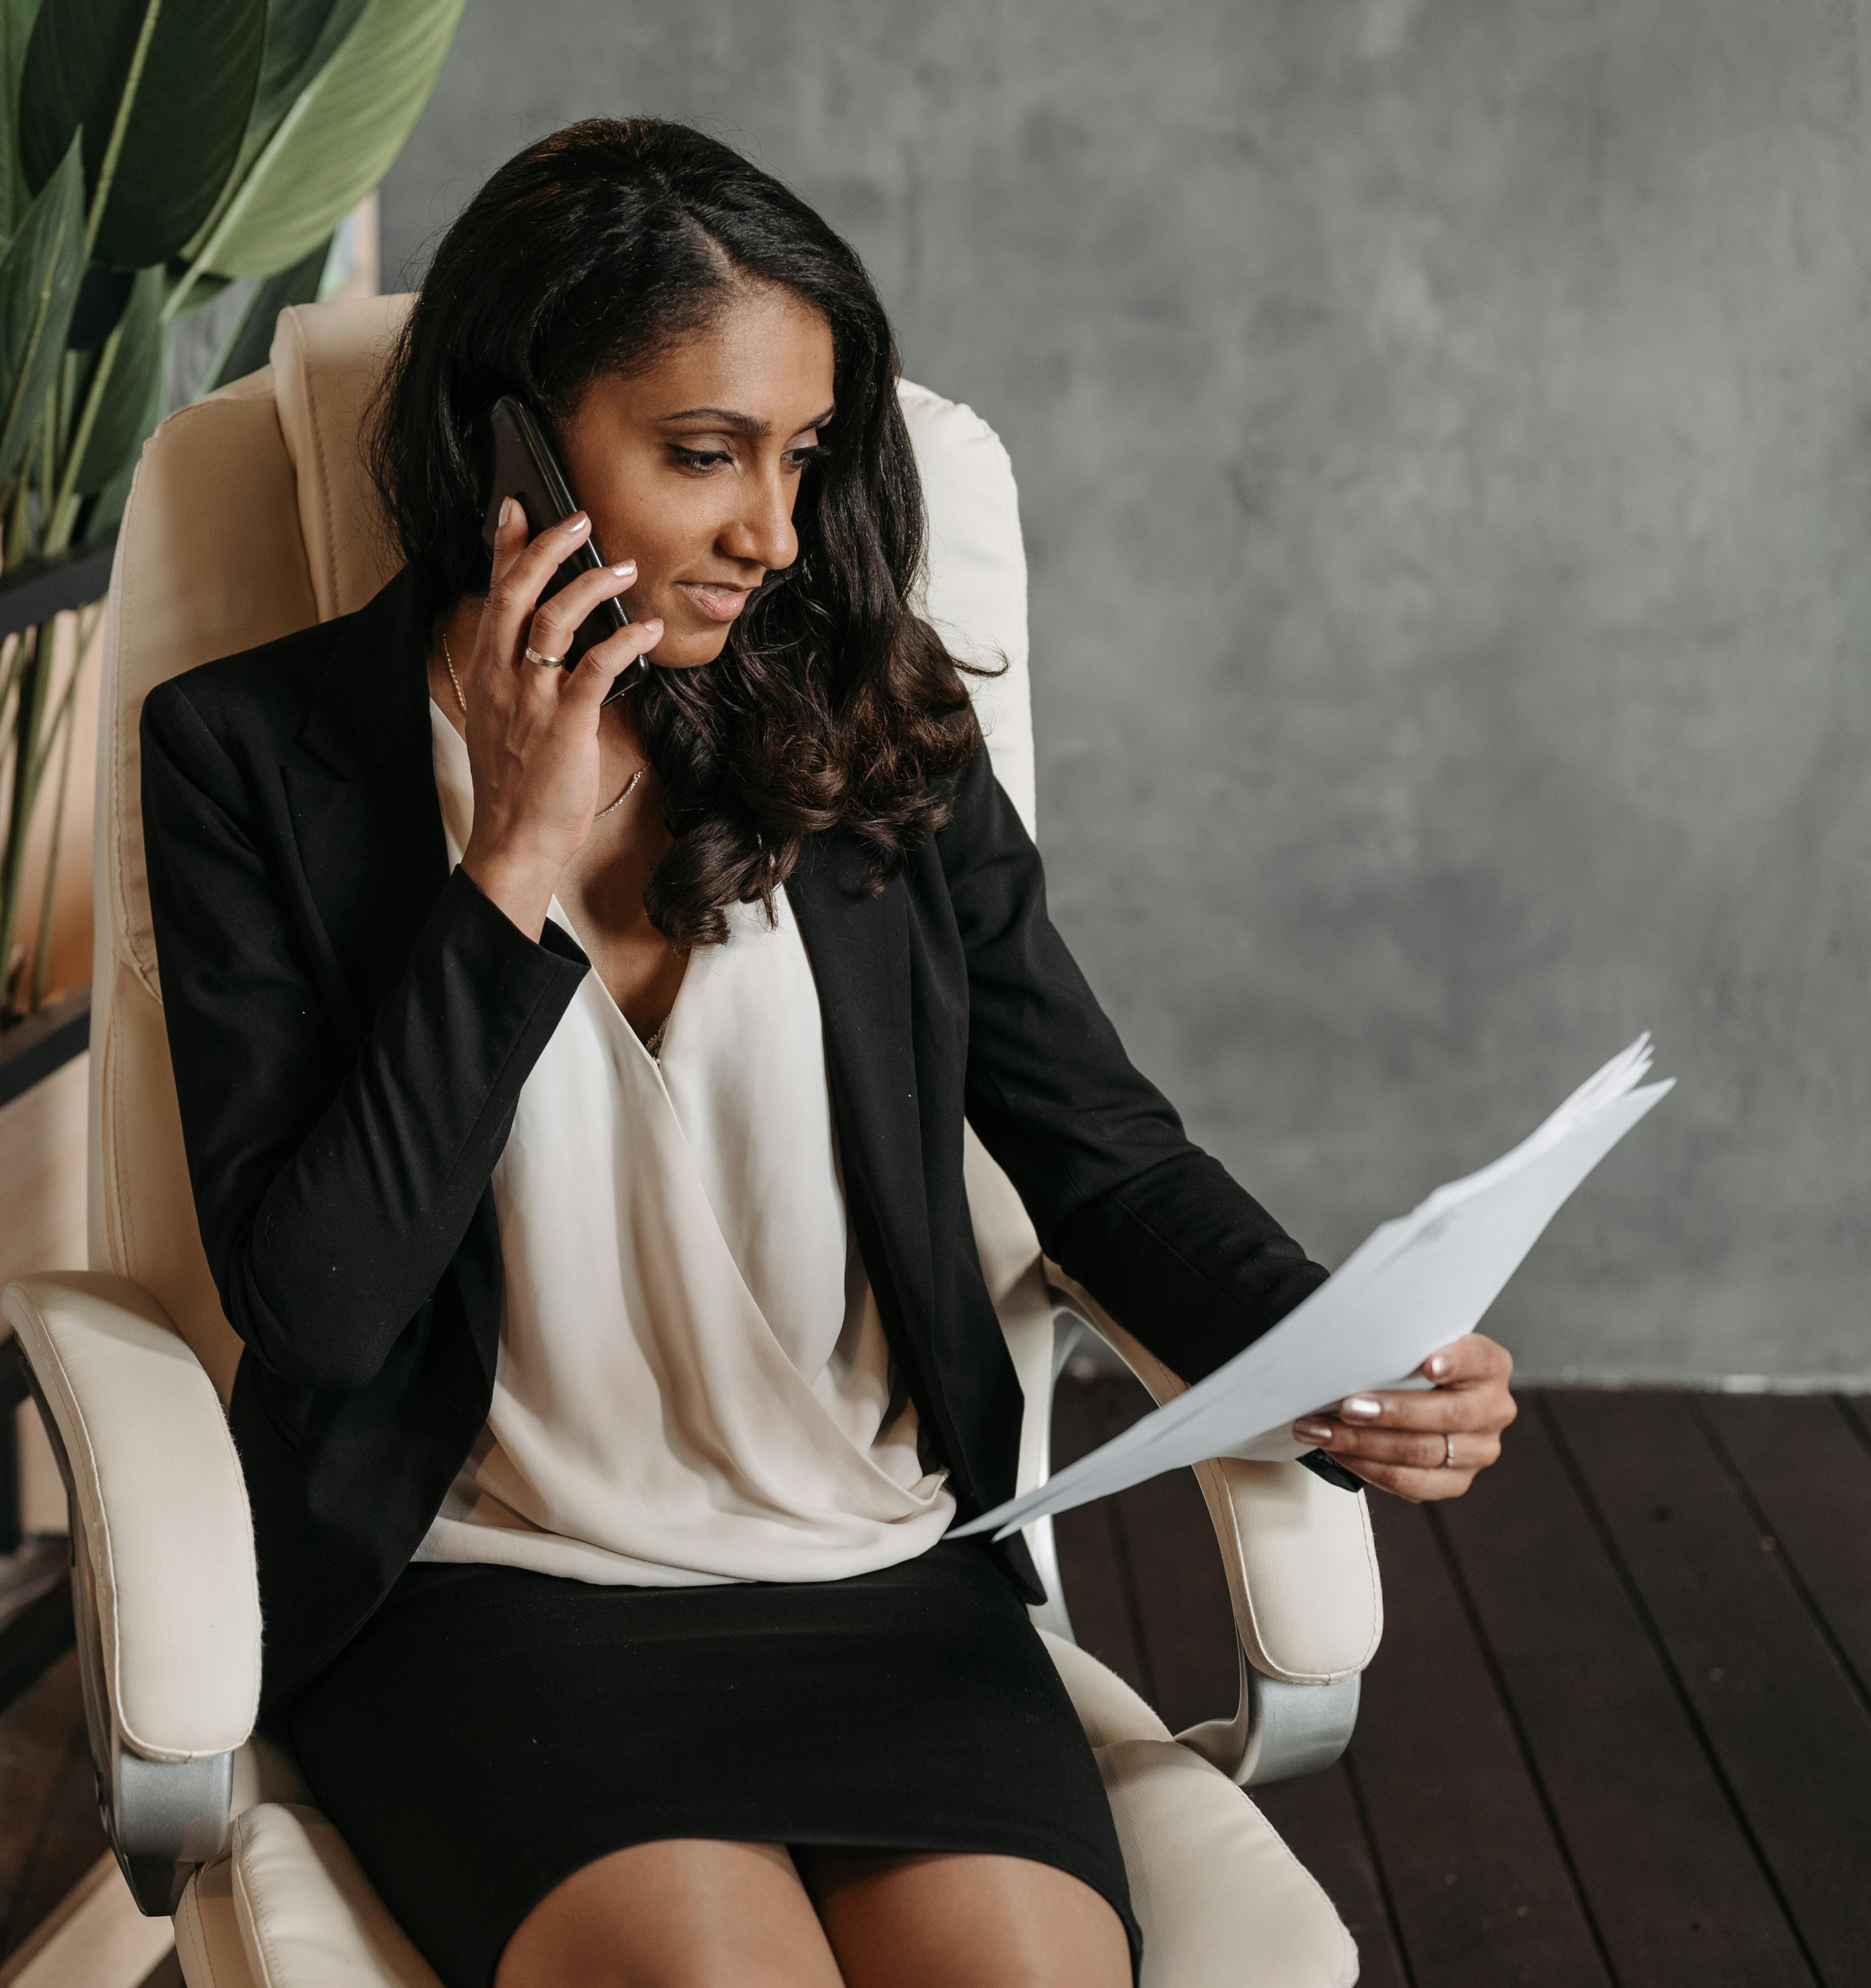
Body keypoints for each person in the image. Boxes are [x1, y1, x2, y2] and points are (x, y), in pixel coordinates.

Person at [138, 118, 1518, 1988]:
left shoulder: (875, 725)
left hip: (877, 1573)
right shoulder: (248, 759)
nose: (773, 534)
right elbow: (318, 1307)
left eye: (801, 459)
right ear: (507, 440)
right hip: (488, 1592)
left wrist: (1348, 1355)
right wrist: (514, 861)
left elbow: (1099, 1152)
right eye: (702, 456)